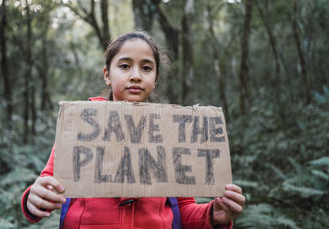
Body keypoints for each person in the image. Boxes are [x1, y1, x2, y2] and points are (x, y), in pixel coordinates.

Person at [21, 31, 245, 228]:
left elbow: (183, 213)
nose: (136, 75)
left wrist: (213, 215)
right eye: (125, 66)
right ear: (107, 75)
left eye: (146, 68)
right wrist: (33, 199)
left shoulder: (172, 133)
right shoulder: (79, 125)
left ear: (155, 79)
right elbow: (47, 187)